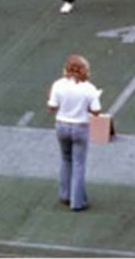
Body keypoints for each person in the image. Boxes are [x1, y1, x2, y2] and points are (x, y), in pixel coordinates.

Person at [47, 54, 102, 212]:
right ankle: (77, 201)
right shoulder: (89, 88)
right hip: (80, 126)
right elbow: (96, 111)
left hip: (61, 125)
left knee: (65, 160)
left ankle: (65, 194)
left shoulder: (58, 84)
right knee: (79, 164)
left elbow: (51, 107)